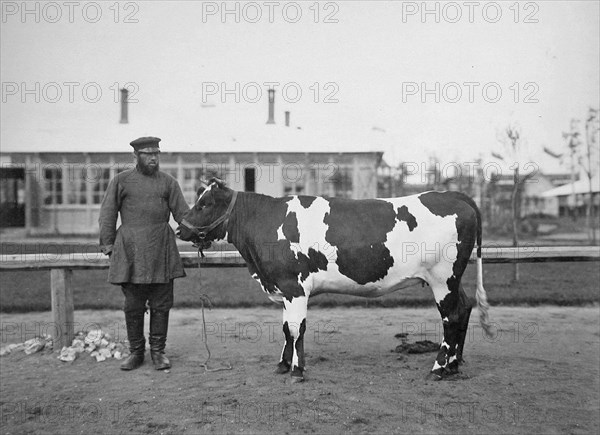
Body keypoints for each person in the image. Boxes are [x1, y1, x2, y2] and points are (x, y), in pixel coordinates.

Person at [99, 137, 189, 371]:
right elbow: (107, 214)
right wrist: (109, 246)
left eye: (156, 154)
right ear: (135, 156)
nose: (153, 158)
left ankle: (158, 352)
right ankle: (136, 352)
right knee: (133, 305)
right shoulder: (121, 181)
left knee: (162, 304)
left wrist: (200, 235)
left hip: (162, 249)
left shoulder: (168, 182)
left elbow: (184, 215)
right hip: (131, 251)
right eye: (147, 154)